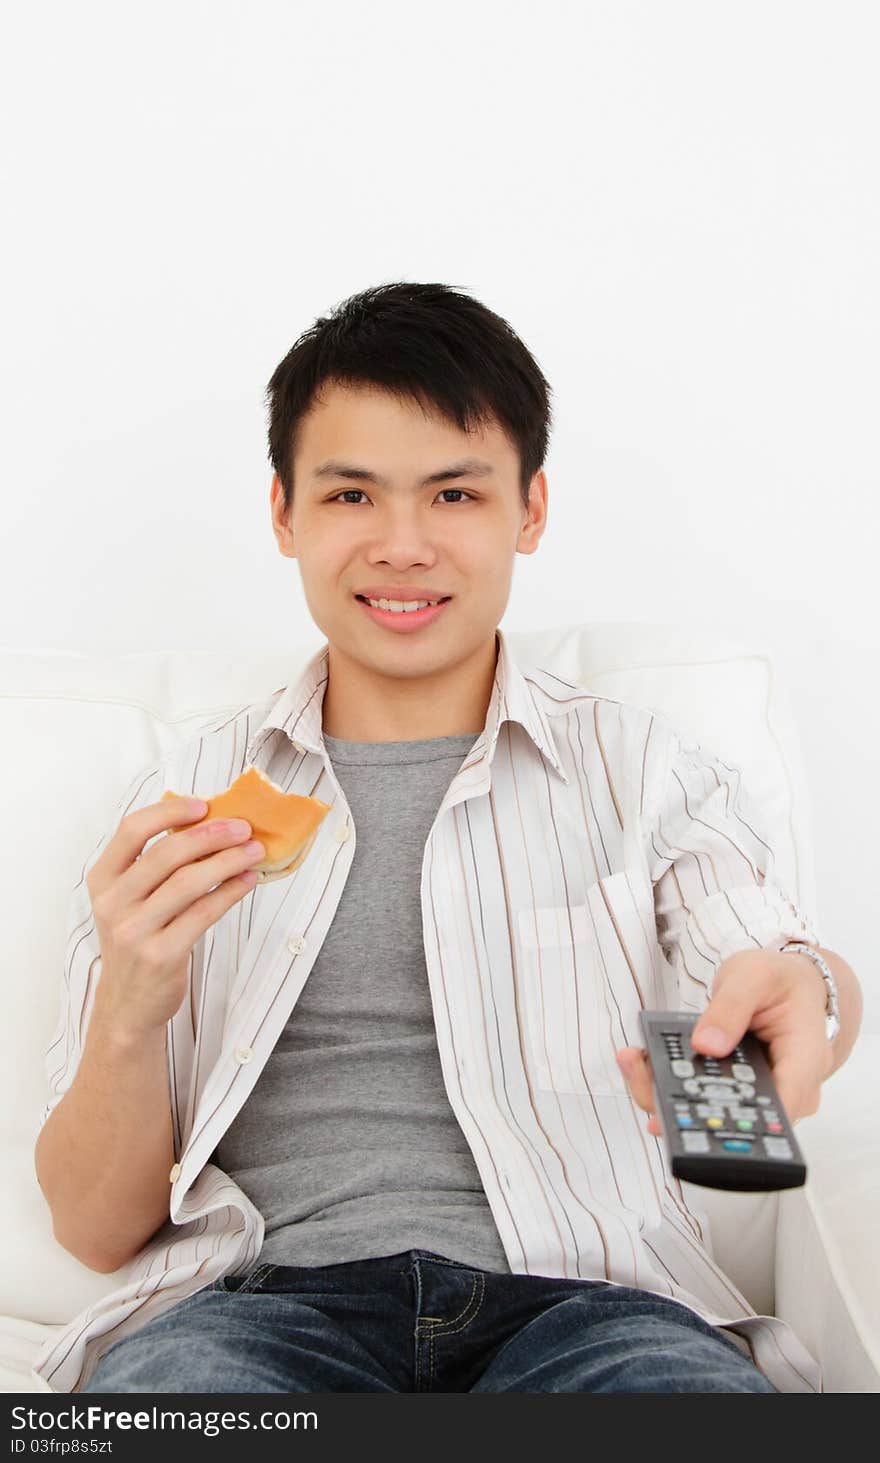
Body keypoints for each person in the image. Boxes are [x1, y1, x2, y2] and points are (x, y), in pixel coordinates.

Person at [33, 282, 862, 1395]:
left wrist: (804, 990)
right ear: (283, 513)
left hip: (598, 1303)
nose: (403, 545)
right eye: (350, 495)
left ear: (529, 510)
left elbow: (772, 958)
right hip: (257, 1310)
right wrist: (130, 1008)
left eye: (454, 492)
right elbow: (95, 1228)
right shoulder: (182, 798)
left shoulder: (643, 767)